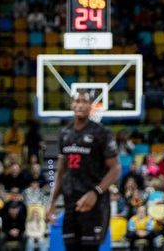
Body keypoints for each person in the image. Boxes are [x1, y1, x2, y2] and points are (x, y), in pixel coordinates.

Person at [49, 91, 120, 251]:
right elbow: (61, 172)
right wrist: (52, 202)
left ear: (91, 106)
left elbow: (116, 169)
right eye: (77, 101)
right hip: (70, 203)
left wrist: (96, 192)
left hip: (94, 203)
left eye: (84, 101)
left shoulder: (102, 133)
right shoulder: (64, 133)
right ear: (72, 105)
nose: (80, 104)